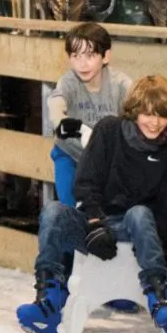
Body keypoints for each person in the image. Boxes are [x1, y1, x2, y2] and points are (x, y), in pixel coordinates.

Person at [17, 75, 167, 333]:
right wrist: (94, 222)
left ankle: (159, 298)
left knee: (139, 213)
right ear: (134, 111)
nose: (155, 122)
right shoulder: (109, 131)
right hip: (96, 223)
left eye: (162, 116)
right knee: (54, 211)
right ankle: (49, 300)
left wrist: (151, 235)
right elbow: (85, 182)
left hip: (135, 230)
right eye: (148, 114)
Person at [46, 23, 131, 206]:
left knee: (107, 209)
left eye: (90, 56)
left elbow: (136, 105)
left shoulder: (120, 84)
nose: (82, 64)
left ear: (105, 56)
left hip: (105, 160)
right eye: (75, 56)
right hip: (72, 154)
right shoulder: (68, 82)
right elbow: (56, 101)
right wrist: (60, 120)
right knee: (69, 208)